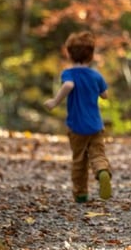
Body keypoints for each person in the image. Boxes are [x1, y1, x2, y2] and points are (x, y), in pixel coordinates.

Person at [44, 31, 112, 203]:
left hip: (76, 127)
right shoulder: (96, 75)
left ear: (69, 54)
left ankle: (81, 194)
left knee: (79, 161)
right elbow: (105, 95)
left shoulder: (68, 74)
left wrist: (54, 101)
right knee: (97, 154)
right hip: (96, 125)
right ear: (91, 55)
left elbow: (68, 85)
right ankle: (102, 171)